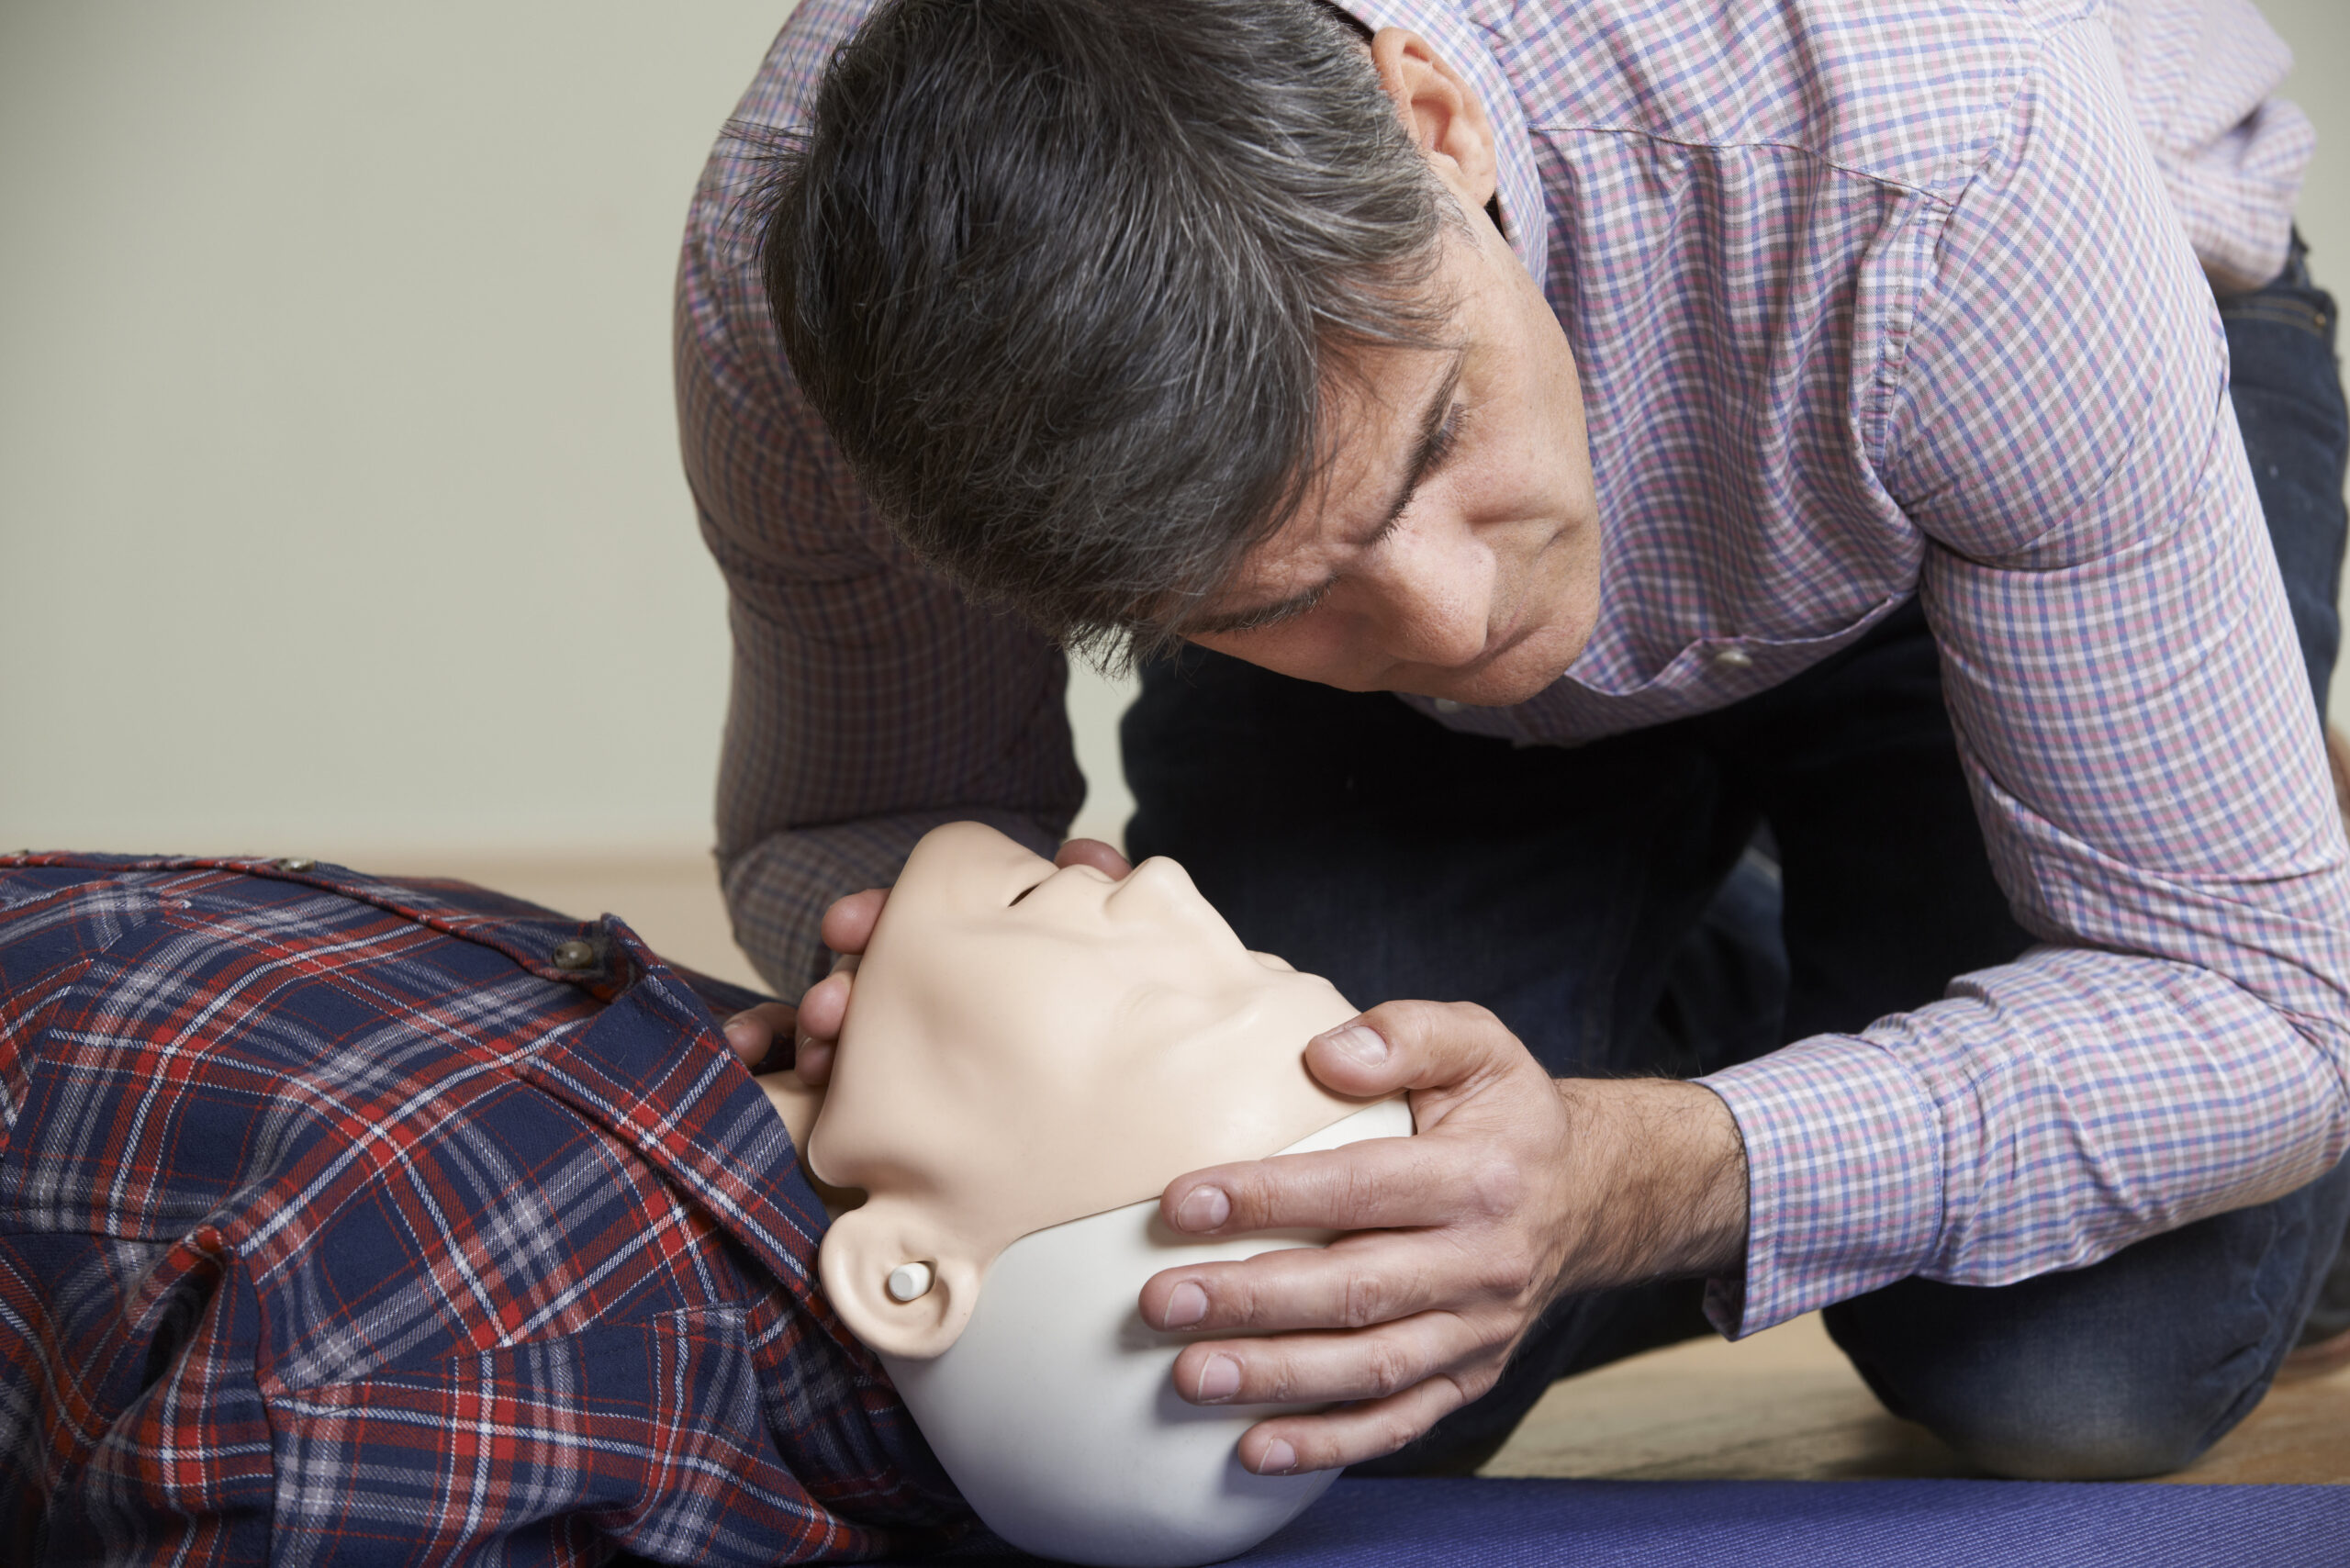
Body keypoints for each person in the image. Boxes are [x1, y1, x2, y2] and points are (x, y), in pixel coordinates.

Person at [679, 0, 2350, 1481]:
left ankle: (2237, 828)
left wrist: (1645, 1172)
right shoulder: (815, 315)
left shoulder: (1951, 152)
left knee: (2066, 1378)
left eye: (1435, 444)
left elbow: (2255, 1008)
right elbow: (878, 815)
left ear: (1438, 124)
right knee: (1305, 1356)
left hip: (1978, 438)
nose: (1465, 625)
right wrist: (926, 1008)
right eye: (1288, 593)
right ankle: (1800, 961)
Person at [0, 854, 967, 1562]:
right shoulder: (763, 1076)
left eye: (1132, 1017)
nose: (1127, 871)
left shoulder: (397, 1370)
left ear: (904, 1277)